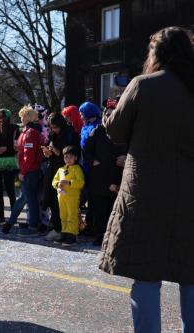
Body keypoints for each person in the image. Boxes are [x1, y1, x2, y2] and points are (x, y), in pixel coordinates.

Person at [99, 27, 194, 332]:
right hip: (190, 196)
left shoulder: (143, 86)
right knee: (191, 274)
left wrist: (107, 114)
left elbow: (116, 131)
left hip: (146, 193)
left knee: (146, 273)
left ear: (157, 54)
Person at [82, 99, 126, 246]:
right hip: (99, 177)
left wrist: (126, 158)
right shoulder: (97, 131)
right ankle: (101, 234)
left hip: (117, 176)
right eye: (107, 114)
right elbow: (86, 150)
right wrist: (92, 160)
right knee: (99, 208)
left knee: (114, 208)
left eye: (112, 114)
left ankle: (114, 236)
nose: (109, 116)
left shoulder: (125, 132)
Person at [2, 105, 43, 235]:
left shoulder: (30, 132)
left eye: (22, 115)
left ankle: (32, 226)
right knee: (26, 198)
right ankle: (12, 223)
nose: (20, 118)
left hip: (29, 171)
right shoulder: (28, 131)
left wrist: (22, 172)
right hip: (30, 170)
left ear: (26, 117)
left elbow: (29, 156)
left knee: (29, 199)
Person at [41, 113, 79, 242]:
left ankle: (65, 231)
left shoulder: (70, 134)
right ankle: (57, 228)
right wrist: (47, 153)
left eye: (55, 127)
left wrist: (57, 152)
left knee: (63, 203)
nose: (53, 130)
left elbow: (72, 153)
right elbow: (50, 154)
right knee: (52, 199)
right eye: (51, 127)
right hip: (53, 171)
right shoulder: (52, 135)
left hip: (66, 172)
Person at [51, 145, 85, 246]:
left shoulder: (77, 169)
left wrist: (69, 182)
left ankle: (72, 234)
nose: (68, 159)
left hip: (72, 197)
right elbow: (54, 181)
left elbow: (81, 182)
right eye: (65, 157)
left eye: (70, 157)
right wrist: (57, 185)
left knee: (72, 215)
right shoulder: (61, 169)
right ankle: (65, 232)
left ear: (76, 157)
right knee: (63, 215)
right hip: (61, 197)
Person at [0, 108, 19, 224]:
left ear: (7, 118)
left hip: (9, 161)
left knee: (10, 190)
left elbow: (17, 145)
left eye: (1, 117)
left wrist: (7, 148)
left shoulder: (14, 128)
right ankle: (1, 216)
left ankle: (13, 216)